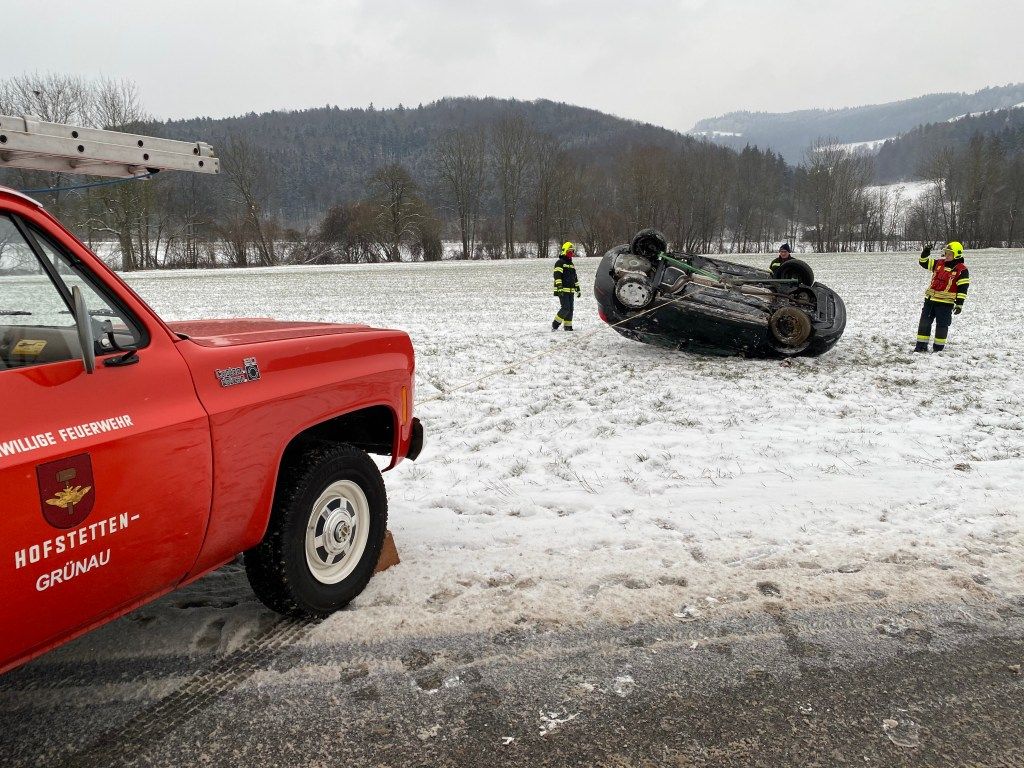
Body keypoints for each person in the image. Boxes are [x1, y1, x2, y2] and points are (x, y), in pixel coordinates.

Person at [915, 241, 970, 352]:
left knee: (942, 325)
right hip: (930, 301)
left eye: (950, 253)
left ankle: (938, 349)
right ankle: (920, 347)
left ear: (957, 255)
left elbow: (963, 288)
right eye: (946, 253)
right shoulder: (938, 263)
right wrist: (925, 252)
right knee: (924, 323)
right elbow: (923, 262)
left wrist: (959, 304)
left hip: (945, 303)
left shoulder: (961, 270)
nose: (946, 255)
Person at [552, 241, 581, 331]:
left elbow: (575, 278)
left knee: (570, 309)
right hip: (563, 290)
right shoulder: (559, 262)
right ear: (564, 251)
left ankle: (568, 327)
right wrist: (559, 287)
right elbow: (557, 275)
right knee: (565, 308)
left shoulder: (571, 264)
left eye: (572, 252)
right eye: (569, 251)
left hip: (571, 291)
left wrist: (578, 289)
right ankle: (555, 324)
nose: (571, 253)